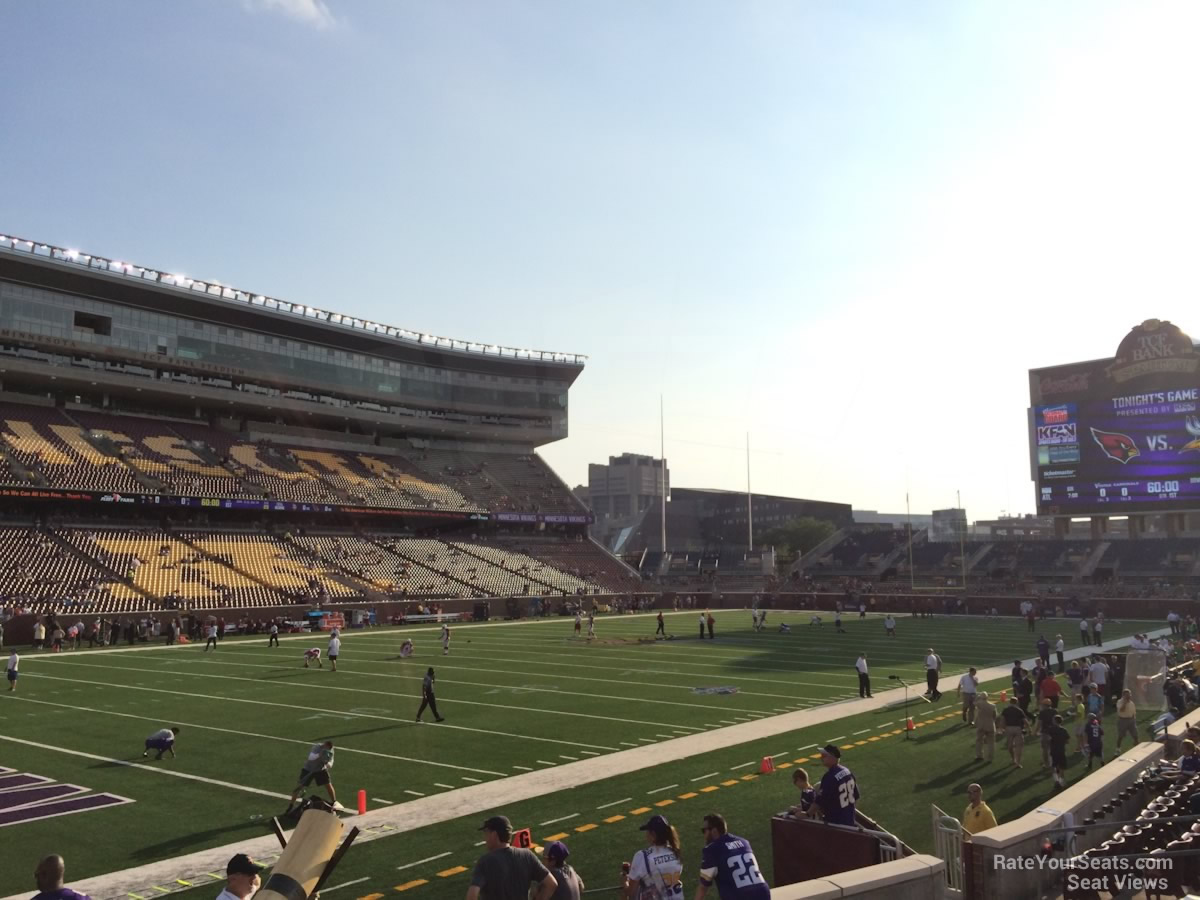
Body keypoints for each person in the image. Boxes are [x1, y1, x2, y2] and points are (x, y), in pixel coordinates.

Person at [468, 814, 557, 900]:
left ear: (494, 835)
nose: (485, 838)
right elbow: (551, 884)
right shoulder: (527, 855)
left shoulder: (485, 862)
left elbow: (472, 896)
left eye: (486, 833)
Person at [696, 813, 770, 899]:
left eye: (704, 830)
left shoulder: (712, 849)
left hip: (740, 896)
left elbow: (703, 886)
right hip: (763, 892)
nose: (704, 835)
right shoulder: (744, 842)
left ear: (714, 831)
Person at [621, 814, 683, 899]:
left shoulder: (642, 856)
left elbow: (631, 893)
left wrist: (625, 881)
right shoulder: (675, 852)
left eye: (648, 832)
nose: (646, 835)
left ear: (653, 834)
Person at [286, 740, 340, 812]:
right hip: (309, 769)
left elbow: (331, 760)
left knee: (328, 785)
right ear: (324, 745)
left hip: (320, 769)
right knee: (299, 787)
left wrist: (329, 764)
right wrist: (320, 755)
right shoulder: (317, 747)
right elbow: (310, 757)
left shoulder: (331, 750)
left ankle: (334, 802)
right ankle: (291, 805)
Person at [811, 745, 859, 826]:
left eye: (824, 756)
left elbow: (819, 802)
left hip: (835, 824)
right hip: (849, 821)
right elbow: (856, 796)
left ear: (832, 757)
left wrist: (807, 814)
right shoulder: (847, 771)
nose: (821, 758)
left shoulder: (829, 776)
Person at [1000, 698, 1028, 768]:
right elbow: (1025, 720)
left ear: (1010, 702)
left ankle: (1013, 759)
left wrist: (1001, 728)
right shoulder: (1019, 710)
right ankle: (1018, 763)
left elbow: (1002, 720)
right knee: (1019, 746)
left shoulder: (1005, 710)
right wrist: (1029, 728)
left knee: (1010, 746)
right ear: (1017, 702)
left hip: (1009, 728)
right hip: (1018, 728)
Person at [1046, 715, 1071, 787]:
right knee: (1062, 766)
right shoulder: (1064, 730)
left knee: (1053, 766)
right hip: (1061, 750)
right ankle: (1061, 781)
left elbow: (1048, 739)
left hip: (1053, 750)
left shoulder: (1050, 729)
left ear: (1054, 721)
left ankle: (1056, 780)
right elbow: (1068, 741)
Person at [974, 692, 997, 762]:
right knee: (991, 742)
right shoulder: (993, 706)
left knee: (979, 741)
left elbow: (974, 703)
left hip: (981, 725)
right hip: (990, 725)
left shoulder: (978, 704)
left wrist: (978, 697)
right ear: (987, 697)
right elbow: (995, 716)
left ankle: (979, 755)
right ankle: (990, 758)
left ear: (981, 697)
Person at [1034, 698, 1057, 770]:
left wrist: (1035, 731)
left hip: (1045, 733)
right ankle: (1054, 762)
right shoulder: (1055, 711)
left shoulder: (1042, 712)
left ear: (1044, 705)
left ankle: (1047, 764)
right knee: (1053, 748)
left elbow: (1039, 723)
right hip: (1054, 733)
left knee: (1045, 750)